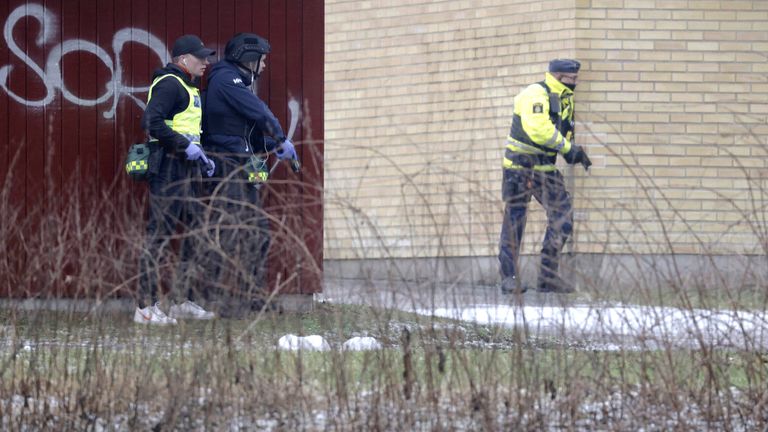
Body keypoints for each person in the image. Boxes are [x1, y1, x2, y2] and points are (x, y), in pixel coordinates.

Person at [201, 32, 298, 315]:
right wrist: (280, 137)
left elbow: (244, 133)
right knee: (231, 234)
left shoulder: (235, 83)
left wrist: (271, 146)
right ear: (248, 58)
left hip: (239, 165)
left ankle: (254, 297)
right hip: (227, 167)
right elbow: (259, 112)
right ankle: (225, 302)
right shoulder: (225, 79)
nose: (265, 66)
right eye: (262, 60)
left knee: (257, 233)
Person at [135, 35, 218, 324]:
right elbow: (151, 122)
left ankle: (184, 299)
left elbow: (186, 130)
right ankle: (145, 308)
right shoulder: (170, 84)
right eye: (201, 57)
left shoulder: (187, 86)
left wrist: (202, 157)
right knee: (159, 236)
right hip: (169, 167)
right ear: (183, 59)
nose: (206, 62)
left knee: (195, 233)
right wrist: (186, 147)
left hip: (187, 168)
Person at [498, 59, 592, 295]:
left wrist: (574, 151)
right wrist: (568, 149)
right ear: (560, 77)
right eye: (572, 79)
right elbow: (538, 130)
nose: (576, 83)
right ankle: (509, 278)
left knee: (563, 217)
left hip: (545, 169)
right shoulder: (535, 93)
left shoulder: (564, 98)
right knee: (515, 222)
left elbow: (561, 130)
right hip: (520, 168)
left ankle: (547, 277)